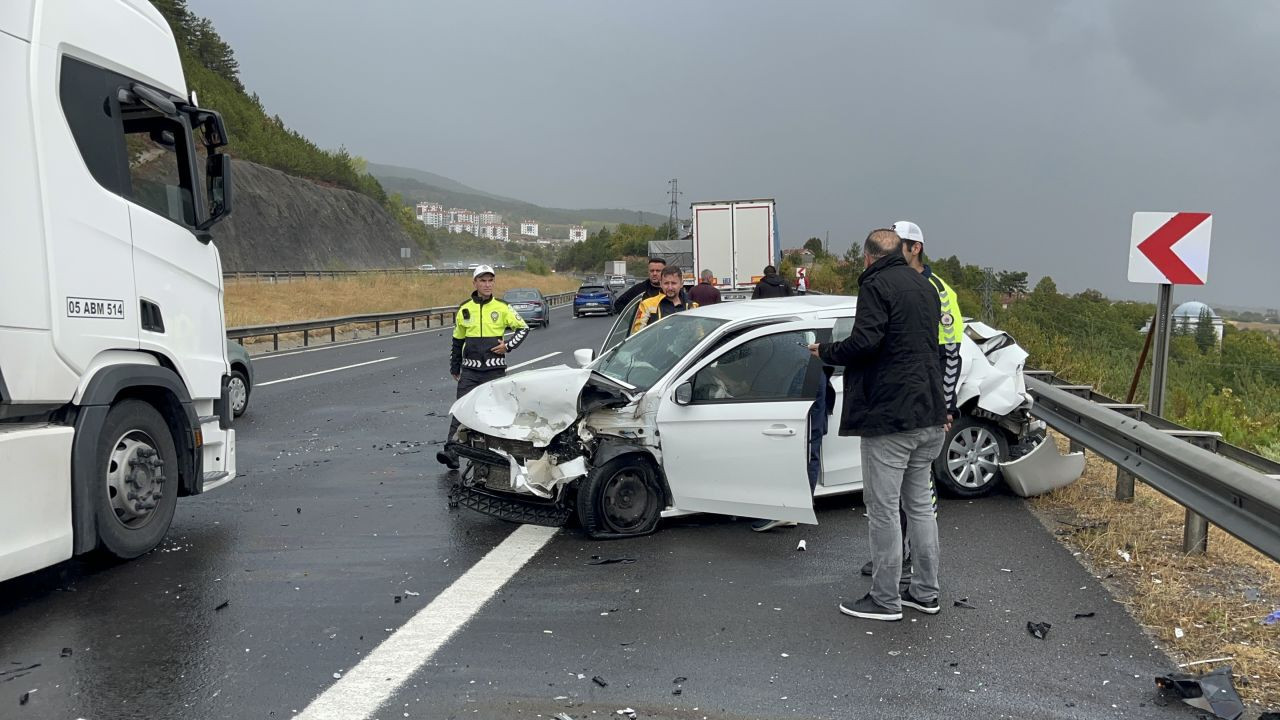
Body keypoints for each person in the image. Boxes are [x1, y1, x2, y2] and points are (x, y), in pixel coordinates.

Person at [810, 228, 946, 622]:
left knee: (883, 510)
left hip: (890, 418)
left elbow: (866, 342)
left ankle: (885, 598)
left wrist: (827, 352)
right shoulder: (927, 287)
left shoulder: (876, 284)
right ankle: (925, 592)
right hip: (929, 413)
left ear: (867, 258)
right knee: (920, 507)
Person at [857, 220, 964, 577]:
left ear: (915, 247)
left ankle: (893, 583)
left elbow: (949, 353)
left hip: (915, 408)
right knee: (908, 504)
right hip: (917, 408)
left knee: (903, 505)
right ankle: (918, 581)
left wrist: (946, 405)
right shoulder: (896, 283)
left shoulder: (937, 289)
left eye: (899, 244)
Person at [436, 265, 529, 469]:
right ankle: (451, 452)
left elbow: (523, 328)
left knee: (496, 412)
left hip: (494, 371)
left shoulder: (503, 307)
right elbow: (457, 341)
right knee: (461, 410)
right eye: (482, 280)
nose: (487, 284)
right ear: (475, 283)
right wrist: (455, 367)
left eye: (490, 280)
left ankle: (499, 455)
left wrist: (508, 346)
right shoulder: (464, 308)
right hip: (470, 371)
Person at [631, 265, 698, 333]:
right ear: (661, 284)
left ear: (681, 284)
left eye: (673, 283)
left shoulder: (692, 306)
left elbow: (698, 334)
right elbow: (637, 335)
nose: (670, 287)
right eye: (666, 283)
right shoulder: (647, 305)